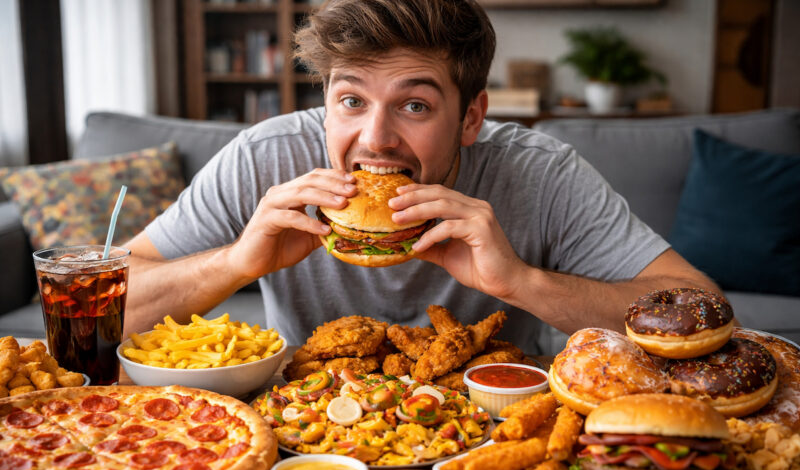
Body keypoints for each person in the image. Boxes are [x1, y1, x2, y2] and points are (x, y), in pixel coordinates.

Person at [123, 0, 718, 354]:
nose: (375, 138)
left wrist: (519, 282)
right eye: (351, 101)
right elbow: (101, 306)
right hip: (306, 429)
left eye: (414, 106)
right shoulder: (265, 159)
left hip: (494, 426)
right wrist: (234, 264)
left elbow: (705, 309)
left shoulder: (543, 174)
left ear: (471, 117)